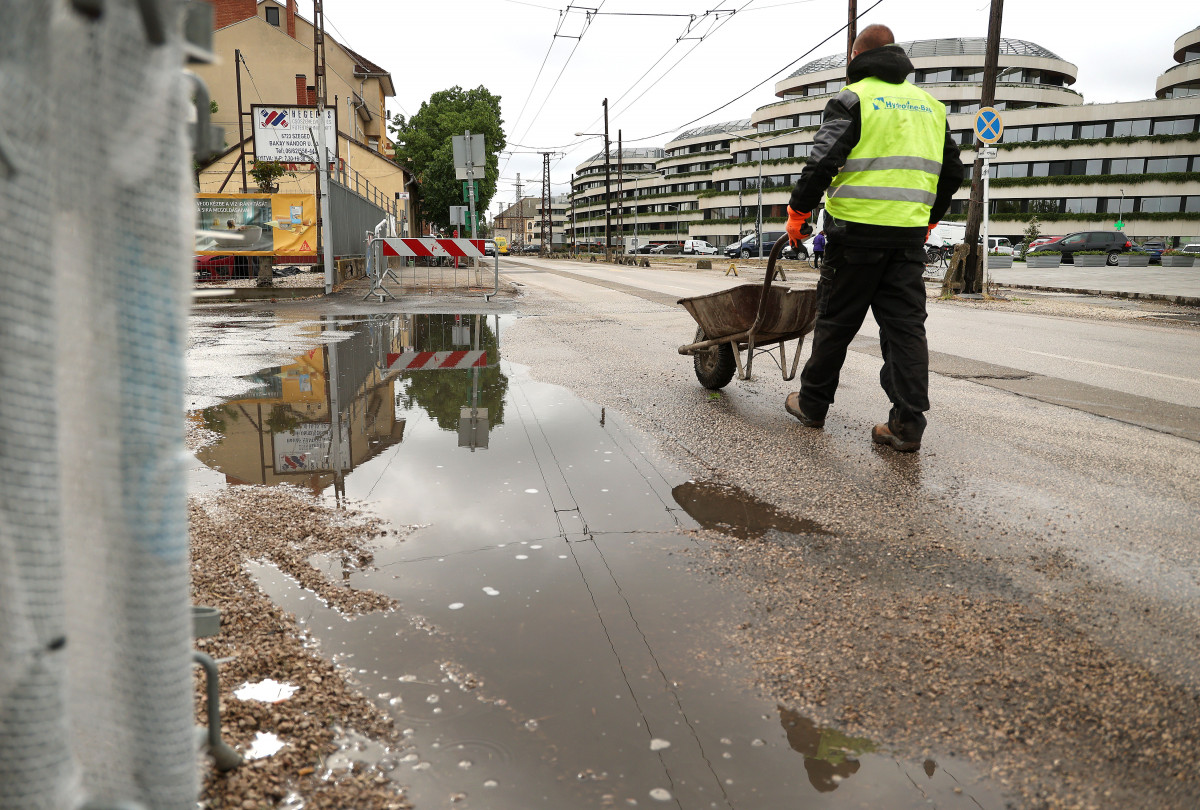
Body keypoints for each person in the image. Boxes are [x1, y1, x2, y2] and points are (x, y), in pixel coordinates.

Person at [783, 24, 964, 452]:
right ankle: (905, 426)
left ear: (856, 55)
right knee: (905, 330)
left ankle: (812, 405)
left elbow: (823, 161)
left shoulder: (853, 98)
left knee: (836, 323)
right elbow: (953, 173)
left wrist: (797, 214)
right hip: (906, 241)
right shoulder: (931, 107)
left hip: (854, 237)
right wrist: (928, 220)